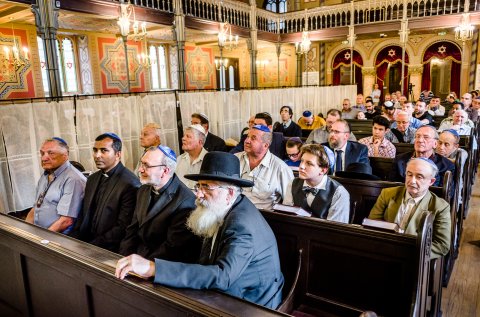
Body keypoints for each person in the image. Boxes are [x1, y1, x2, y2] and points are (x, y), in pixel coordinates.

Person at [115, 151, 284, 309]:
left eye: (206, 187)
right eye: (199, 186)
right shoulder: (223, 206)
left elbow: (222, 276)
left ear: (230, 192)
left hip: (253, 302)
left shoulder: (242, 226)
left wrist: (154, 268)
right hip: (230, 289)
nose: (199, 195)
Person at [119, 145, 202, 262]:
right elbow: (132, 230)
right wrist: (123, 257)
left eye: (146, 165)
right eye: (141, 163)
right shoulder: (143, 190)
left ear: (165, 171)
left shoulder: (186, 202)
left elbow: (171, 249)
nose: (140, 169)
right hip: (137, 259)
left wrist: (142, 266)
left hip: (160, 266)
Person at [70, 133, 140, 252]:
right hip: (86, 243)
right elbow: (83, 214)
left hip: (110, 248)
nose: (97, 155)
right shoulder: (92, 179)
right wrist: (74, 239)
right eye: (95, 150)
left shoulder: (130, 183)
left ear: (118, 154)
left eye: (104, 151)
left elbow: (123, 227)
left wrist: (92, 246)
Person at [369, 158, 451, 259]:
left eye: (419, 177)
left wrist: (408, 253)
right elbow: (372, 224)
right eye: (409, 174)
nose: (412, 181)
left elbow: (442, 245)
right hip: (382, 252)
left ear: (431, 181)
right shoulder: (387, 194)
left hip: (412, 259)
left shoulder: (440, 207)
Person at [26, 138, 86, 233]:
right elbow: (36, 207)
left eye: (51, 153)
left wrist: (43, 240)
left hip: (57, 238)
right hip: (39, 233)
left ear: (65, 155)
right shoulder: (45, 175)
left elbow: (66, 221)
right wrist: (26, 231)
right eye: (42, 153)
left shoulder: (73, 179)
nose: (44, 158)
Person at [283, 144, 350, 223]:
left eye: (309, 163)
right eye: (302, 161)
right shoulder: (293, 184)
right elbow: (286, 218)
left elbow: (336, 229)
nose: (301, 166)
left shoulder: (339, 193)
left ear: (323, 170)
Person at [235, 124, 294, 209]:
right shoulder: (235, 159)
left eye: (253, 138)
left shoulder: (281, 168)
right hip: (234, 212)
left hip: (263, 217)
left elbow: (289, 203)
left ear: (265, 145)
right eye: (247, 136)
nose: (247, 141)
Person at [389, 125, 455, 187]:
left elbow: (446, 195)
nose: (420, 140)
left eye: (426, 137)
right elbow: (390, 186)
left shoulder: (447, 166)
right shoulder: (399, 160)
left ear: (435, 143)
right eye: (417, 136)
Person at [176, 124, 208, 189]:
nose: (183, 139)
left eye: (188, 136)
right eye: (184, 136)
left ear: (200, 142)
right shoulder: (179, 159)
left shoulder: (209, 160)